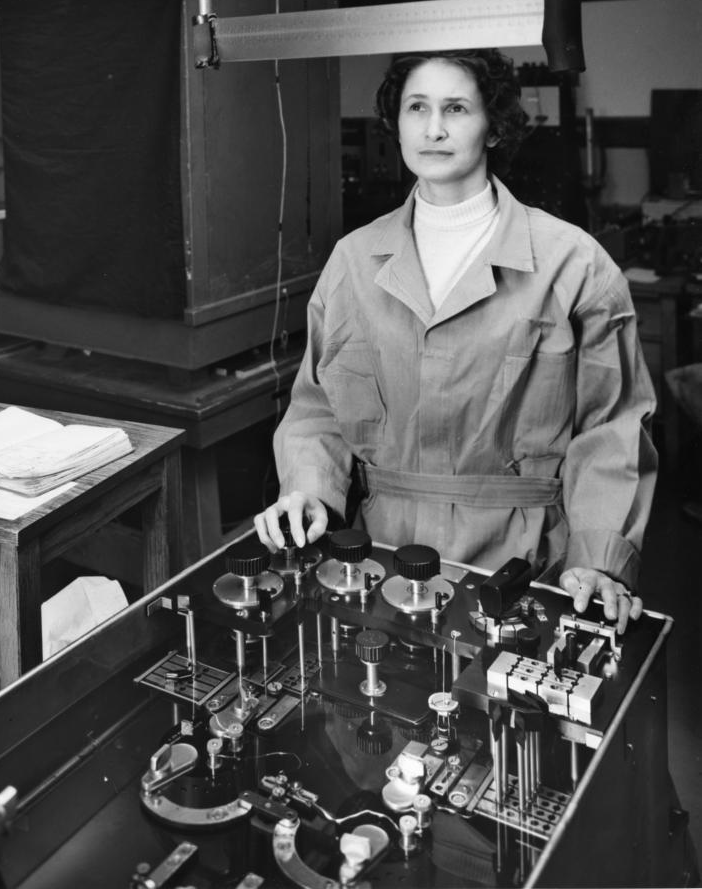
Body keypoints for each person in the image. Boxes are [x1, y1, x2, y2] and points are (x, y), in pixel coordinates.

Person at [255, 48, 657, 634]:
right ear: (397, 123)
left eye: (457, 108)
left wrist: (598, 560)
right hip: (378, 557)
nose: (434, 128)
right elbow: (317, 408)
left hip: (526, 565)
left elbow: (613, 428)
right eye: (417, 107)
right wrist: (311, 491)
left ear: (493, 126)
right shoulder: (355, 260)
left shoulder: (573, 263)